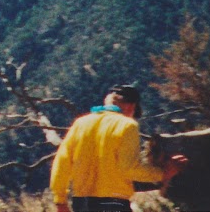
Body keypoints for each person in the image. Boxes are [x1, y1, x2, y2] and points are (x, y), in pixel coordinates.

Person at [48, 85, 187, 212]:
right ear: (131, 107)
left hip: (81, 203)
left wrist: (60, 201)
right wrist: (162, 174)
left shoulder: (81, 123)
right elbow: (128, 168)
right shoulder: (127, 125)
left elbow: (62, 163)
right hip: (113, 203)